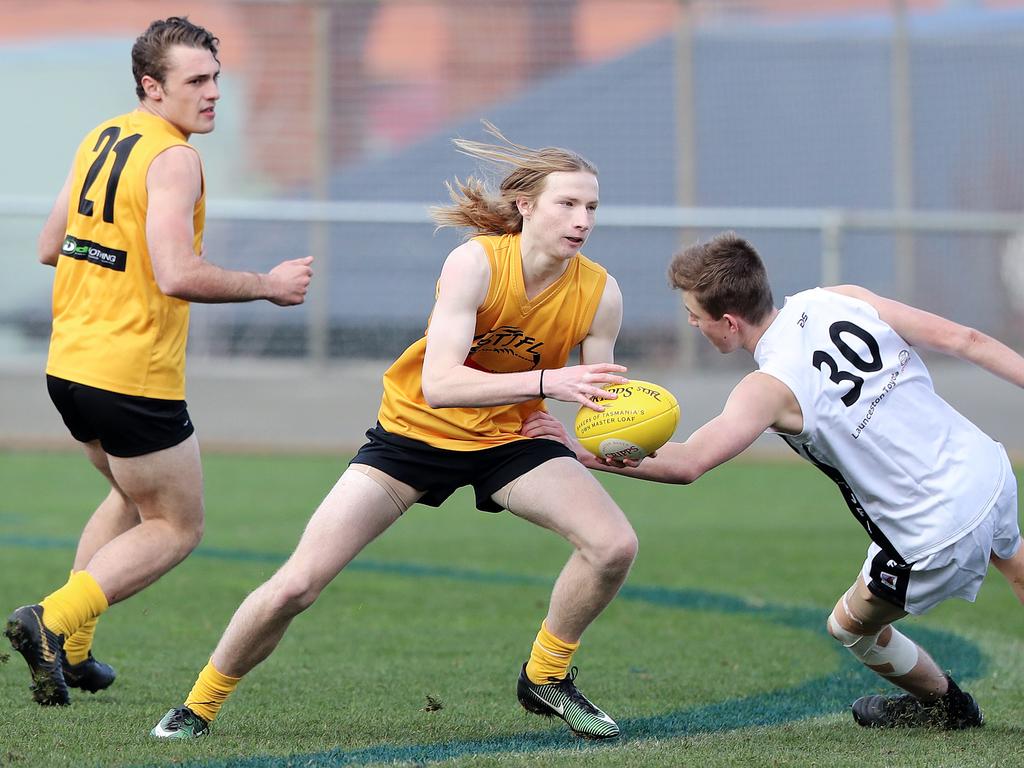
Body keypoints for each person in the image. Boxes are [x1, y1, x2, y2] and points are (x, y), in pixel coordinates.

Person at [150, 123, 638, 740]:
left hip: (509, 440)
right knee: (296, 586)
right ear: (525, 206)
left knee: (613, 545)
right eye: (566, 203)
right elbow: (442, 385)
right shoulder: (475, 262)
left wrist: (603, 438)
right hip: (414, 435)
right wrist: (544, 384)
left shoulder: (601, 293)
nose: (582, 218)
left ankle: (546, 676)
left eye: (591, 206)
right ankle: (198, 704)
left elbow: (596, 398)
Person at [524, 231, 1024, 730]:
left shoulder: (767, 387)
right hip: (988, 469)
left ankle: (947, 707)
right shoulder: (839, 298)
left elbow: (688, 463)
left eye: (694, 317)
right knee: (1014, 559)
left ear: (728, 323)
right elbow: (968, 340)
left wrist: (578, 451)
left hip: (935, 527)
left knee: (850, 628)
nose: (693, 324)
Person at [5, 16, 314, 708]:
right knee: (176, 525)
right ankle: (50, 622)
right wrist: (269, 285)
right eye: (196, 81)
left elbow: (52, 245)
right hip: (129, 373)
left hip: (71, 366)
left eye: (215, 79)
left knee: (127, 494)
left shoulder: (103, 135)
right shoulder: (174, 158)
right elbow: (178, 274)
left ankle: (74, 653)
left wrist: (114, 259)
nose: (212, 94)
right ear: (153, 85)